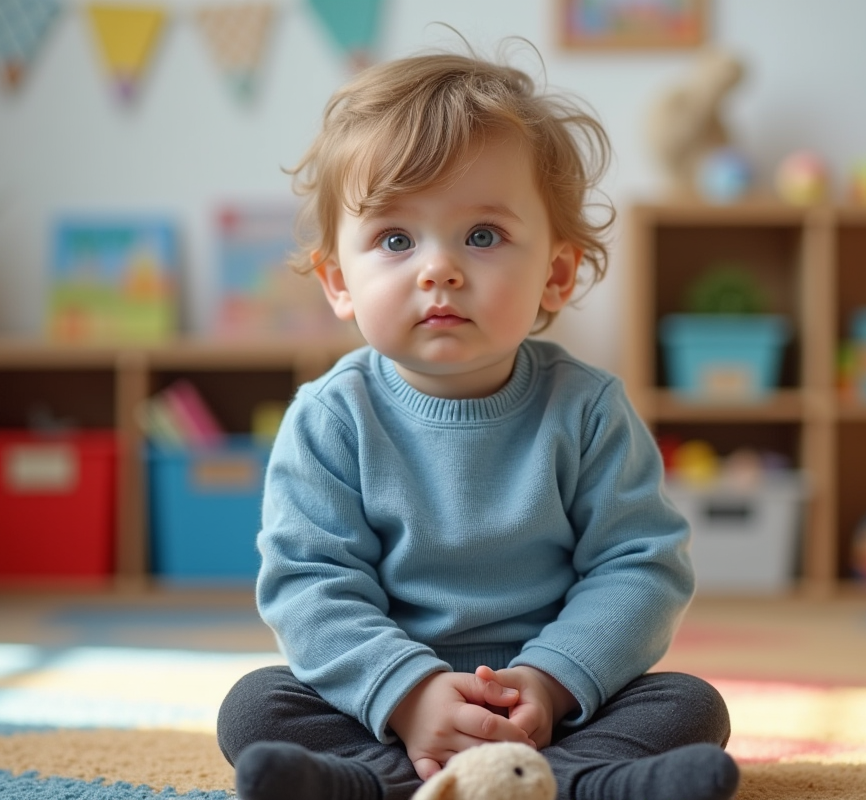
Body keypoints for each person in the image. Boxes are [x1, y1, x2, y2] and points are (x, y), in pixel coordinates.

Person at [216, 45, 739, 800]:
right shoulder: (330, 417)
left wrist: (550, 682)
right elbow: (310, 584)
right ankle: (402, 779)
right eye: (396, 240)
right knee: (256, 706)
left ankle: (550, 776)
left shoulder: (588, 409)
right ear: (339, 281)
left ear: (555, 275)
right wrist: (408, 694)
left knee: (690, 703)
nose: (439, 269)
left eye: (483, 235)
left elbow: (640, 566)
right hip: (387, 705)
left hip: (552, 701)